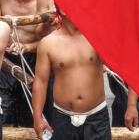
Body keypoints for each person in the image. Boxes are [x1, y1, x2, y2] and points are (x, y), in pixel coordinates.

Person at [32, 8, 108, 140]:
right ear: (59, 8)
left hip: (97, 116)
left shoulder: (97, 37)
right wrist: (37, 117)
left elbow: (127, 64)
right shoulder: (48, 43)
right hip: (62, 117)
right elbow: (40, 82)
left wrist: (131, 105)